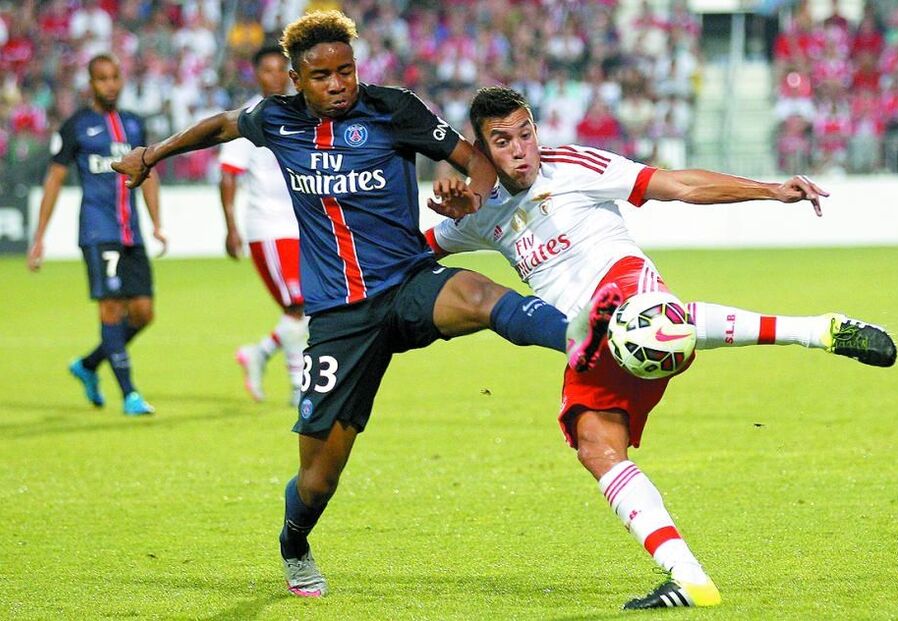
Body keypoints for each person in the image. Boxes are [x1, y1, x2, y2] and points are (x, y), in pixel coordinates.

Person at [112, 10, 611, 598]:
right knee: (319, 478)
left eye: (346, 71)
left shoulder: (392, 109)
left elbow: (474, 160)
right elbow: (221, 126)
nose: (338, 84)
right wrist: (152, 154)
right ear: (297, 79)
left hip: (406, 284)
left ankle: (580, 336)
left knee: (479, 294)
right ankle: (294, 541)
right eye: (322, 75)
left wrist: (471, 197)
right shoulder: (274, 118)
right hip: (339, 318)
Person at [425, 86, 897, 610]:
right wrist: (443, 214)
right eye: (503, 141)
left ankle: (817, 330)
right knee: (595, 446)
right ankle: (690, 579)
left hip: (626, 287)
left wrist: (769, 190)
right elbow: (409, 253)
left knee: (640, 325)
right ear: (481, 150)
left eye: (526, 134)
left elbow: (678, 185)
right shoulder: (476, 213)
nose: (520, 150)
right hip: (583, 338)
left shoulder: (574, 167)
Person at [27, 53, 166, 416]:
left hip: (132, 233)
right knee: (111, 307)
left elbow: (149, 174)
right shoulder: (77, 126)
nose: (110, 85)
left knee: (143, 313)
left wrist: (156, 222)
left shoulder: (134, 124)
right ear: (90, 84)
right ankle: (130, 394)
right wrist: (39, 237)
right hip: (98, 230)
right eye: (102, 79)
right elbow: (54, 179)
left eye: (115, 77)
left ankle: (88, 365)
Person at [218, 45, 307, 406]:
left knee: (313, 306)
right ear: (256, 75)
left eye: (280, 69)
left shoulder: (303, 112)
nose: (275, 76)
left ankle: (258, 353)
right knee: (297, 305)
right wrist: (231, 227)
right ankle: (299, 385)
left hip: (303, 226)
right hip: (269, 227)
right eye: (267, 70)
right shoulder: (248, 117)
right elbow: (228, 175)